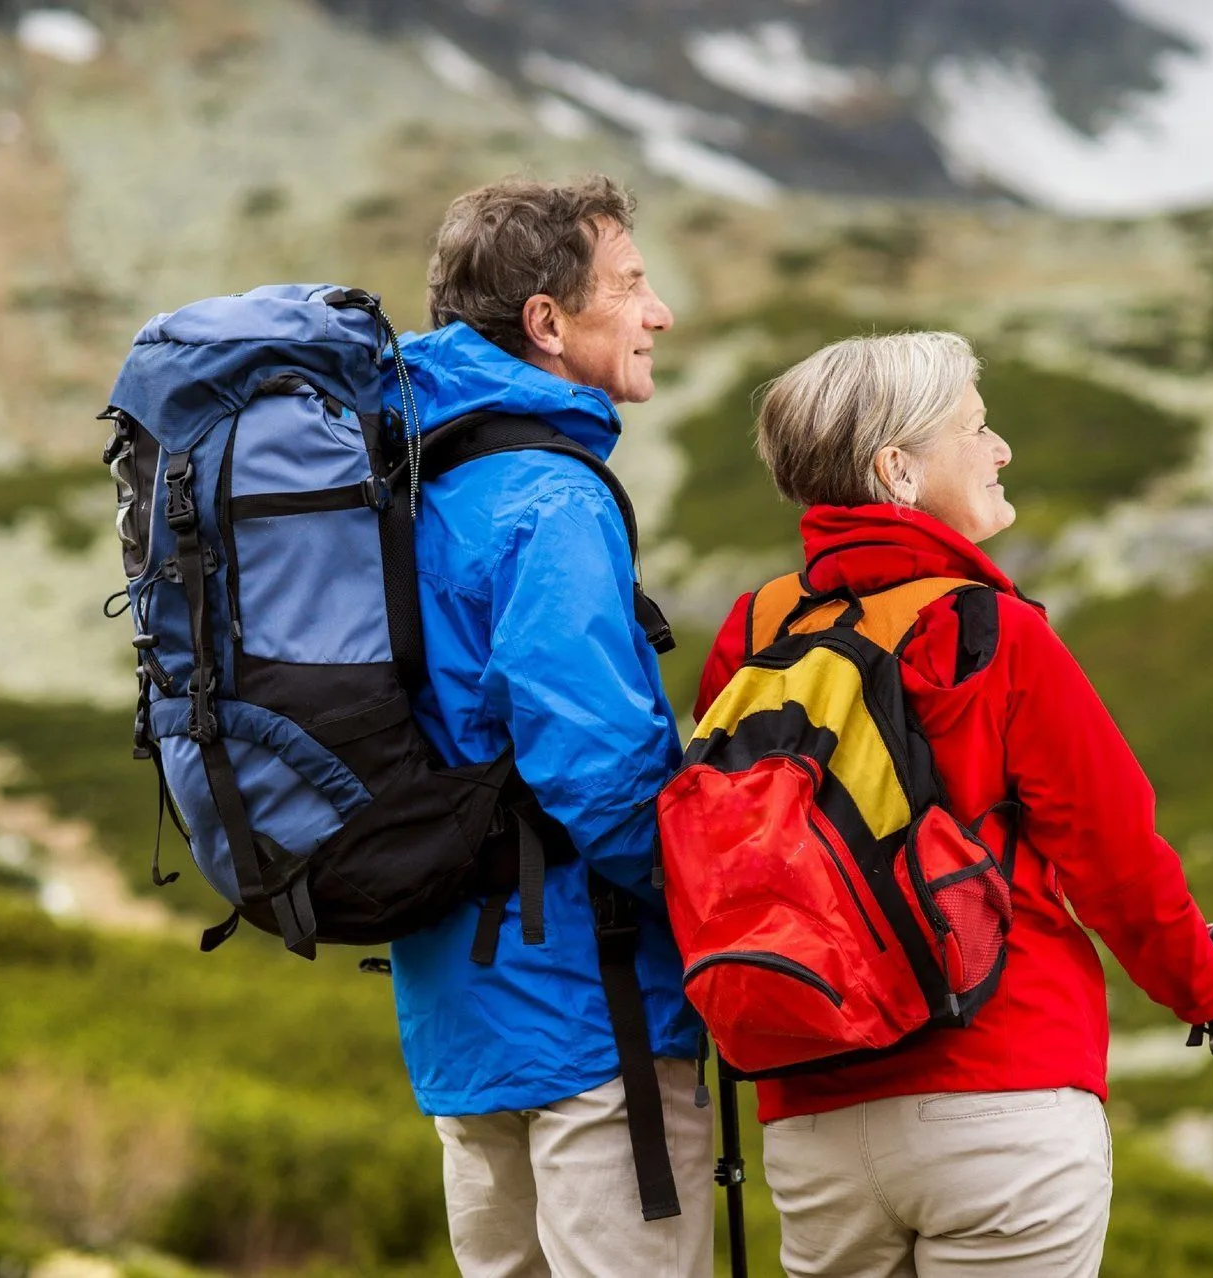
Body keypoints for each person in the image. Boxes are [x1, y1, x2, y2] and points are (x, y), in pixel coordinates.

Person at [692, 332, 1213, 1278]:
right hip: (1004, 1100)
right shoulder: (991, 631)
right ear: (897, 469)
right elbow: (1115, 858)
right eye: (977, 429)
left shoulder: (755, 635)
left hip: (814, 1120)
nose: (1000, 451)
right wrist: (1210, 986)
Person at [383, 175, 711, 1278]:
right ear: (548, 323)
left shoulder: (413, 483)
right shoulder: (550, 498)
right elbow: (600, 765)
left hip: (462, 1016)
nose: (657, 311)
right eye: (630, 284)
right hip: (592, 1005)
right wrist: (718, 906)